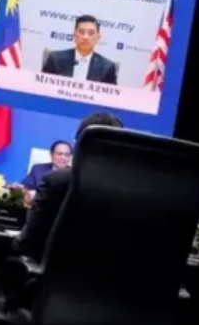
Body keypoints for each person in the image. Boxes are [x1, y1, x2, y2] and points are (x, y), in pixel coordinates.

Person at [12, 111, 124, 261]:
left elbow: (28, 241)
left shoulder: (56, 181)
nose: (63, 157)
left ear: (78, 145)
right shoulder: (136, 190)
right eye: (59, 154)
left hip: (53, 271)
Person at [41, 15, 118, 85]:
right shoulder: (55, 59)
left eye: (91, 33)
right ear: (74, 35)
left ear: (98, 37)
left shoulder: (107, 67)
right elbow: (42, 86)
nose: (85, 37)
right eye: (81, 32)